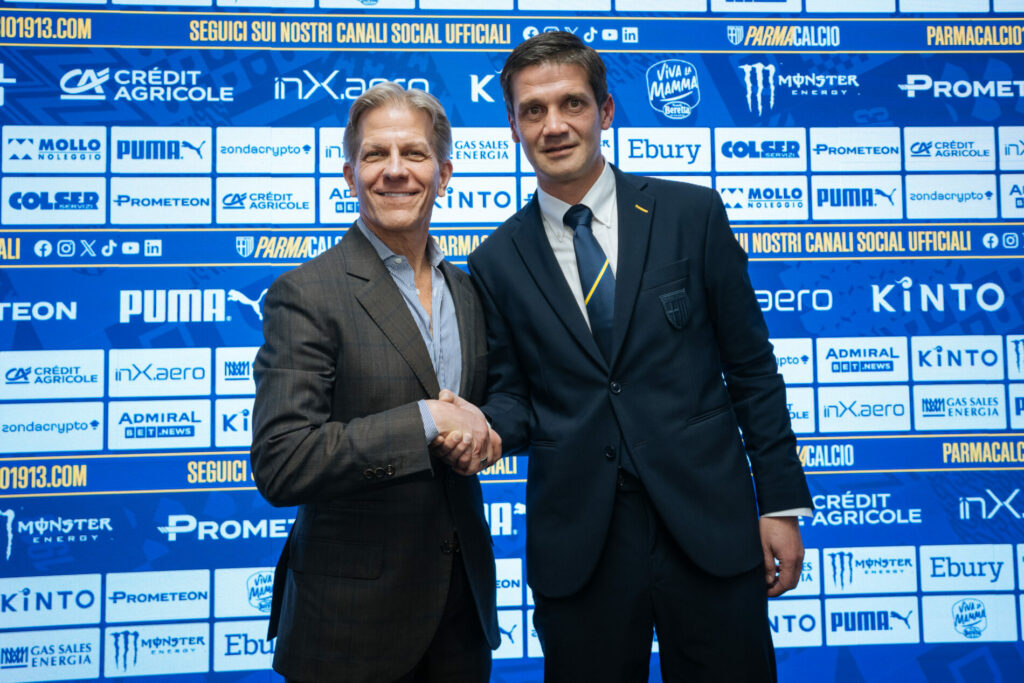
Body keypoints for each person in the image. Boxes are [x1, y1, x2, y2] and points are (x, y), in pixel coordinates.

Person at [463, 32, 813, 681]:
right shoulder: (494, 262)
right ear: (512, 126)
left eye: (572, 103)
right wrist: (480, 425)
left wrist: (780, 504)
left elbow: (752, 369)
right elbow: (514, 395)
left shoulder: (691, 214)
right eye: (533, 110)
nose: (554, 125)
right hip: (581, 544)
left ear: (606, 111)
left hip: (709, 524)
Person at [250, 82, 500, 683]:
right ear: (349, 175)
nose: (394, 170)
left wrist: (489, 433)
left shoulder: (469, 292)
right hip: (348, 629)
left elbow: (489, 411)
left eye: (414, 154)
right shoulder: (306, 293)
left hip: (461, 620)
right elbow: (283, 462)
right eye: (374, 155)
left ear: (444, 175)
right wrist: (426, 421)